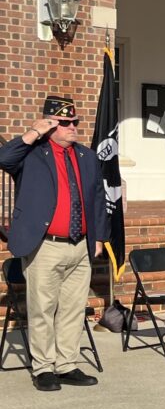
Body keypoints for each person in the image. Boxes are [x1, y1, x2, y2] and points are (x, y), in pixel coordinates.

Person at [0, 95, 109, 392]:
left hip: (81, 245)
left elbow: (98, 199)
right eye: (65, 122)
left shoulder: (87, 157)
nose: (73, 127)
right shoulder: (31, 154)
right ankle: (44, 367)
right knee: (42, 309)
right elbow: (3, 158)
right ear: (50, 125)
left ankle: (67, 363)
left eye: (74, 121)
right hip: (45, 245)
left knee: (73, 308)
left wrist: (99, 236)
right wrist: (33, 132)